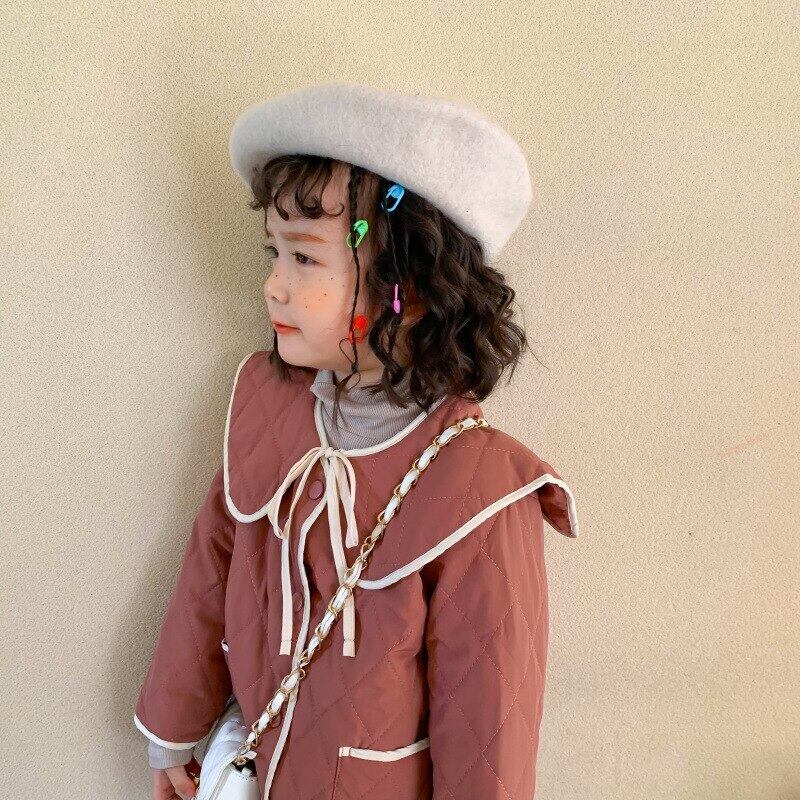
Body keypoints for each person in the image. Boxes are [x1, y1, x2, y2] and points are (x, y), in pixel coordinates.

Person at [133, 82, 579, 800]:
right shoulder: (270, 413)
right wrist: (172, 730)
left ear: (410, 285)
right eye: (274, 254)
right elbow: (208, 573)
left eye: (305, 259)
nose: (273, 286)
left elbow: (489, 723)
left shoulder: (481, 492)